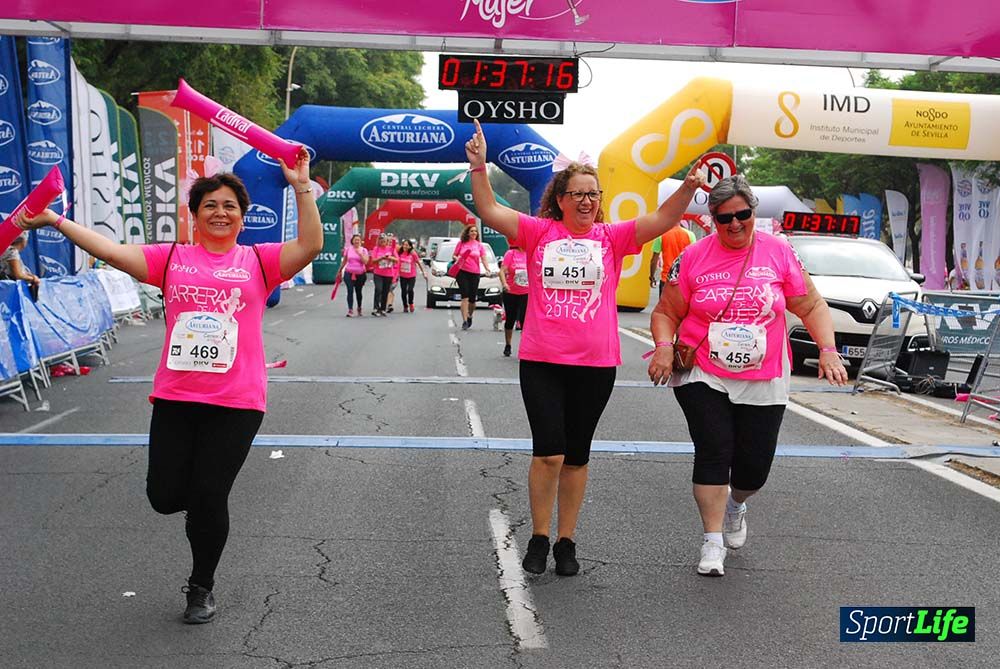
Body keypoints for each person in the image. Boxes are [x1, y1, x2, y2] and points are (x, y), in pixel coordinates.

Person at [15, 152, 322, 622]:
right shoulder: (172, 258)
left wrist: (301, 185)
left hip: (237, 401)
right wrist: (56, 219)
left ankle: (201, 588)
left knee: (209, 494)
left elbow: (311, 245)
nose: (220, 213)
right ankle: (197, 501)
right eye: (210, 206)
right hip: (176, 397)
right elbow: (109, 250)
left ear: (242, 216)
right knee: (163, 497)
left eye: (230, 206)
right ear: (195, 215)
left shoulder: (260, 261)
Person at [464, 118, 706, 576]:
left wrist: (688, 187)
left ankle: (566, 540)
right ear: (560, 199)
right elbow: (491, 211)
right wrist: (479, 167)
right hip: (542, 360)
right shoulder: (538, 232)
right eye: (577, 194)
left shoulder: (611, 238)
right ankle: (538, 535)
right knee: (548, 452)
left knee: (577, 456)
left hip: (596, 364)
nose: (587, 201)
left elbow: (664, 219)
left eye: (593, 194)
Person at [646, 174, 848, 577]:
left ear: (754, 212)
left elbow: (811, 306)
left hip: (766, 373)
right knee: (714, 450)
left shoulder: (779, 251)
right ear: (712, 219)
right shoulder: (693, 257)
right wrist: (665, 347)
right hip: (704, 369)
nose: (735, 224)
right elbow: (666, 312)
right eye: (725, 218)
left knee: (753, 468)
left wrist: (828, 351)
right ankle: (712, 541)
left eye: (743, 215)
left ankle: (738, 503)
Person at [452, 225, 491, 330]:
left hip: (474, 273)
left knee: (472, 300)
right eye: (472, 231)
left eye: (475, 231)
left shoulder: (479, 245)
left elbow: (483, 258)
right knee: (465, 296)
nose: (474, 233)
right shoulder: (461, 243)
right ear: (468, 233)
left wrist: (487, 268)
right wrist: (458, 258)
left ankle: (470, 315)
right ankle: (464, 321)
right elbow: (454, 255)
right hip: (462, 272)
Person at [498, 243, 529, 357]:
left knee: (524, 321)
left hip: (526, 292)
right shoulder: (511, 254)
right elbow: (501, 271)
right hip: (511, 291)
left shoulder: (530, 253)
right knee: (510, 319)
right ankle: (508, 345)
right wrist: (505, 284)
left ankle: (524, 347)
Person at [648, 224, 695, 296]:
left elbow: (654, 260)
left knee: (665, 306)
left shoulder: (661, 235)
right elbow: (694, 259)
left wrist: (652, 277)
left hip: (666, 279)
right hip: (683, 280)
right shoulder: (690, 235)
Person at [341, 233, 369, 317]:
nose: (356, 241)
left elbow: (366, 262)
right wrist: (339, 271)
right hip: (349, 272)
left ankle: (359, 307)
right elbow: (345, 261)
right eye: (355, 240)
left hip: (360, 274)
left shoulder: (364, 250)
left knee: (358, 291)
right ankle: (350, 309)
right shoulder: (348, 249)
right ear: (352, 241)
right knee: (350, 290)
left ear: (361, 241)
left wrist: (360, 254)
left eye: (358, 240)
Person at [370, 233, 398, 316]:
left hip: (388, 274)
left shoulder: (391, 249)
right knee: (378, 289)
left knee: (385, 291)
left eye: (384, 241)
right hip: (378, 273)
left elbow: (397, 260)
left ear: (386, 241)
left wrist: (389, 258)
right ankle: (376, 308)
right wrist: (381, 258)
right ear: (378, 241)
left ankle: (383, 309)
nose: (382, 242)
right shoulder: (376, 249)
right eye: (381, 241)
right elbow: (373, 261)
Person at [397, 239, 426, 313]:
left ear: (410, 246)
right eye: (404, 244)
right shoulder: (400, 253)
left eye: (407, 245)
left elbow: (419, 263)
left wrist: (423, 272)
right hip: (403, 275)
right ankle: (405, 306)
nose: (405, 246)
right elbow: (397, 264)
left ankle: (411, 303)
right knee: (403, 291)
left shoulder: (413, 254)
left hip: (411, 275)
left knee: (410, 290)